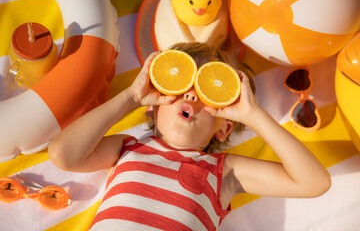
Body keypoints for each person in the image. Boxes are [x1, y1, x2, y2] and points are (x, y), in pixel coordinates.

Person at [48, 42, 331, 231]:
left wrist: (253, 116)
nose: (192, 94)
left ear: (224, 127)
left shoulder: (223, 172)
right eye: (180, 84)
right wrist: (131, 96)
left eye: (210, 94)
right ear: (153, 105)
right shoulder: (127, 148)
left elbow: (314, 182)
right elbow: (63, 154)